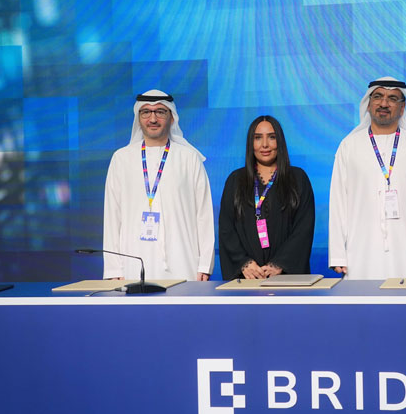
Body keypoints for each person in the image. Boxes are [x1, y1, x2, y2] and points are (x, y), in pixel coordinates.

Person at [329, 77, 406, 280]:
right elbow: (338, 203)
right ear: (368, 104)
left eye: (392, 98)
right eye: (378, 97)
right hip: (359, 254)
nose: (384, 103)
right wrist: (338, 254)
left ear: (403, 108)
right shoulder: (349, 146)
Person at [103, 89, 215, 281]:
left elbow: (204, 216)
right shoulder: (121, 159)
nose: (153, 119)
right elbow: (112, 218)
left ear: (172, 117)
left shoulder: (189, 158)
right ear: (138, 118)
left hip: (184, 264)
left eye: (160, 112)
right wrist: (114, 270)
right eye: (146, 112)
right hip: (132, 266)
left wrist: (205, 265)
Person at [219, 115, 315, 280]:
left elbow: (303, 229)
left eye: (272, 137)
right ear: (251, 143)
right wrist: (244, 263)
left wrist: (279, 264)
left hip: (287, 278)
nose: (265, 144)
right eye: (258, 138)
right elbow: (226, 228)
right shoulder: (235, 180)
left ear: (280, 142)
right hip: (247, 277)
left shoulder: (298, 179)